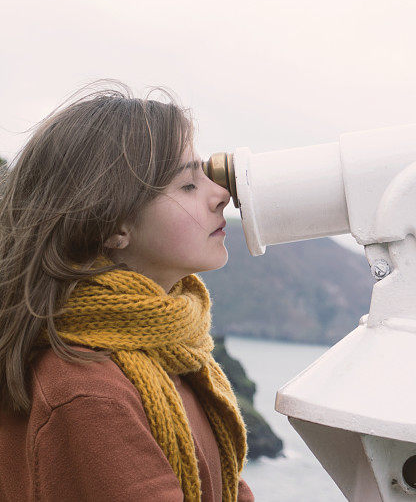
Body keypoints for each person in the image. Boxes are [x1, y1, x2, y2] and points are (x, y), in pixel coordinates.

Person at [0, 80, 255, 501]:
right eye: (188, 185)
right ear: (114, 224)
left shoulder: (172, 353)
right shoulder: (87, 393)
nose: (222, 194)